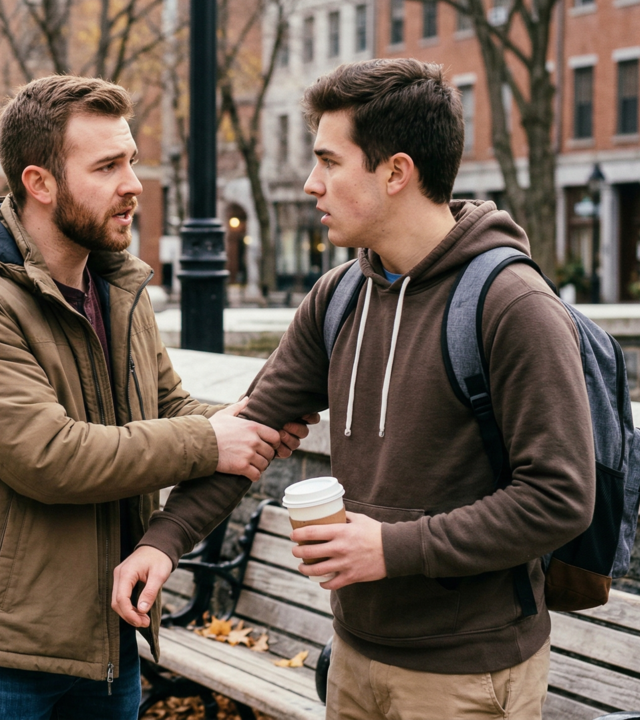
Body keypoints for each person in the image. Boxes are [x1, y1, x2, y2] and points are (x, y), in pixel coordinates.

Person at [113, 59, 595, 720]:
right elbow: (249, 431)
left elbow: (560, 498)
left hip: (466, 676)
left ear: (396, 172)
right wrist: (162, 543)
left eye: (330, 162)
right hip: (352, 655)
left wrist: (390, 548)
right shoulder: (338, 296)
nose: (313, 184)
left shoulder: (511, 305)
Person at [0, 75, 309, 718]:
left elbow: (170, 411)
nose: (133, 184)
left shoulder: (117, 287)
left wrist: (253, 420)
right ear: (40, 183)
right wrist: (213, 440)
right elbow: (50, 456)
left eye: (130, 159)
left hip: (109, 632)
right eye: (107, 166)